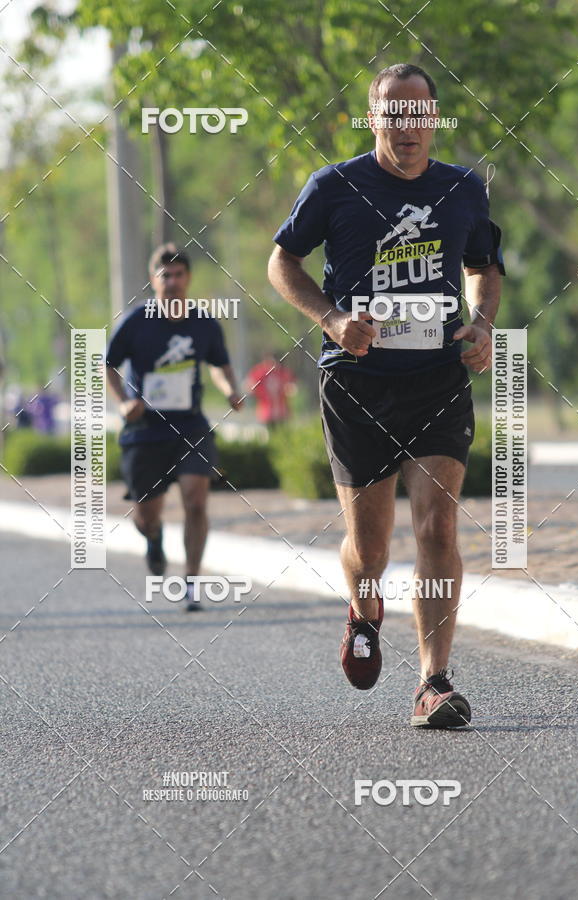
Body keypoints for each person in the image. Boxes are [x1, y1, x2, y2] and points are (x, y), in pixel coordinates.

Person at [268, 63, 505, 727]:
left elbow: (482, 266)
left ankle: (434, 681)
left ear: (434, 118)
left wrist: (482, 322)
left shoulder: (462, 188)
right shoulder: (335, 186)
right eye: (392, 113)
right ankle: (364, 607)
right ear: (373, 118)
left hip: (435, 378)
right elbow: (281, 260)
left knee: (437, 524)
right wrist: (332, 319)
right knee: (368, 548)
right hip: (358, 380)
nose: (406, 125)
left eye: (417, 113)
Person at [105, 244, 243, 611]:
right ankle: (153, 538)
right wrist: (123, 403)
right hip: (144, 429)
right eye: (165, 275)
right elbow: (108, 366)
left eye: (179, 274)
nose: (172, 282)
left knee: (196, 501)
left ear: (188, 279)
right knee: (147, 515)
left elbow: (219, 364)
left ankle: (193, 582)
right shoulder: (134, 322)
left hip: (190, 426)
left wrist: (230, 390)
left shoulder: (204, 323)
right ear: (153, 280)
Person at [246, 353, 296, 430]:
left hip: (281, 411)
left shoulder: (283, 373)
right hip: (266, 412)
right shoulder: (261, 372)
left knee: (281, 432)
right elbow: (249, 384)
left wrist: (289, 389)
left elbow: (291, 387)